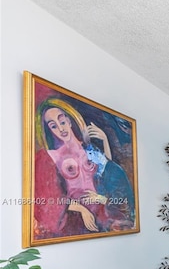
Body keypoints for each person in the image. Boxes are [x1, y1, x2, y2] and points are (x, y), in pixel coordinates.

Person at [33, 98, 125, 238]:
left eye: (62, 121)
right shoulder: (52, 157)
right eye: (54, 126)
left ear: (69, 121)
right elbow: (50, 198)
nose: (61, 128)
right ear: (49, 130)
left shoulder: (90, 149)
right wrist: (81, 209)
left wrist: (105, 140)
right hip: (76, 221)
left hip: (104, 216)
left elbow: (110, 175)